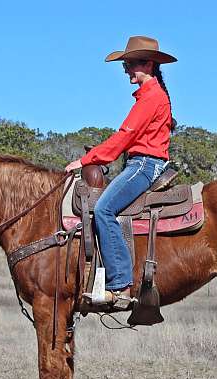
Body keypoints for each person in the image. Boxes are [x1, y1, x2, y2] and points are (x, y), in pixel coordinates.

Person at [65, 35, 177, 306]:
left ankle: (119, 286)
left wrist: (86, 160)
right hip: (139, 162)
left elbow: (125, 136)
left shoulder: (151, 97)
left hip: (143, 165)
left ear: (148, 64)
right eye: (124, 65)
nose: (126, 70)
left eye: (130, 64)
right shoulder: (149, 96)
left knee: (103, 209)